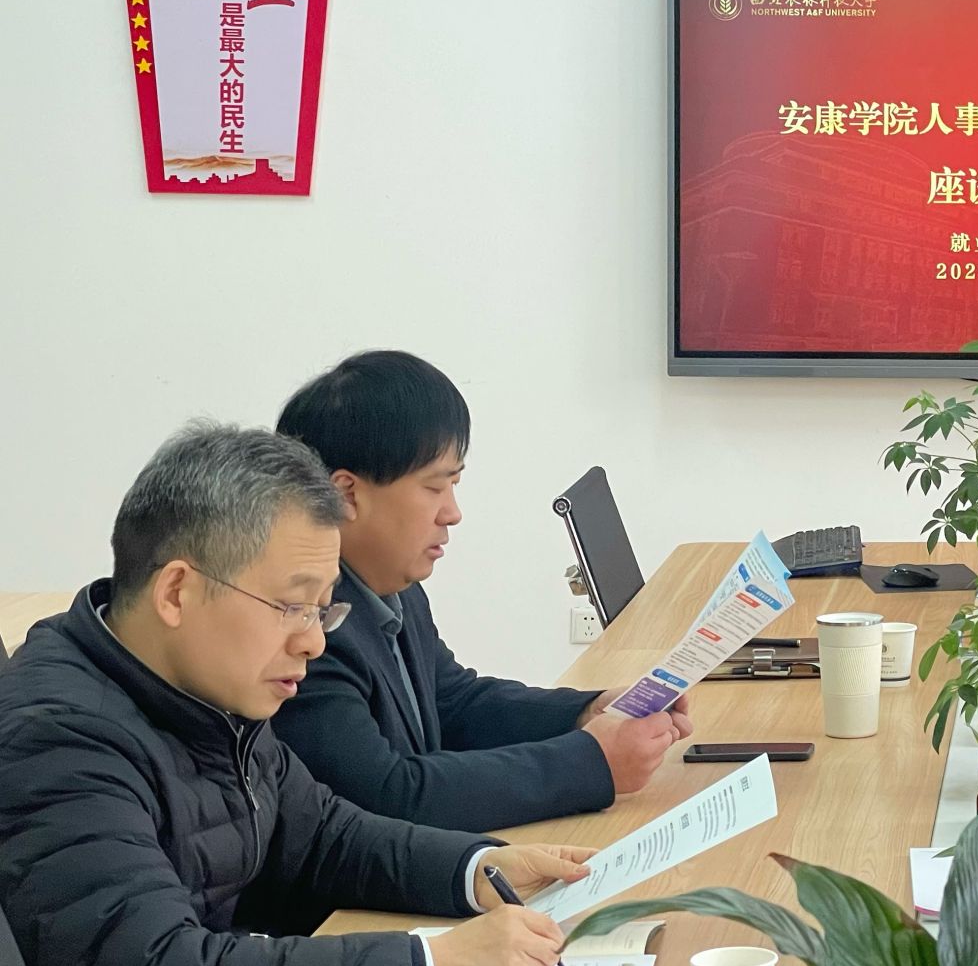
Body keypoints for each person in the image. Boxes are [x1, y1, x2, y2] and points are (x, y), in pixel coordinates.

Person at [0, 425, 596, 966]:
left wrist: (477, 869)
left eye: (322, 608)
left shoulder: (204, 686)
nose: (313, 640)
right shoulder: (61, 738)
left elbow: (322, 836)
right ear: (176, 593)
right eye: (291, 605)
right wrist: (433, 964)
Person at [272, 350, 690, 832]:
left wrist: (583, 712)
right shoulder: (306, 628)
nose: (453, 512)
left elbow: (453, 703)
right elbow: (387, 795)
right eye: (434, 487)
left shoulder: (390, 585)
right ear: (346, 494)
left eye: (455, 483)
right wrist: (590, 763)